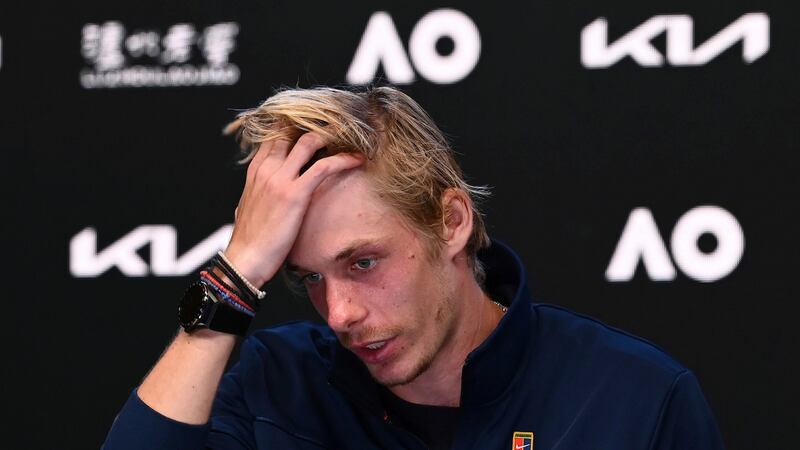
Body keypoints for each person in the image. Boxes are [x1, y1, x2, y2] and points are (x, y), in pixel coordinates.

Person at [103, 86, 725, 450]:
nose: (340, 313)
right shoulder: (278, 386)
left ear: (451, 223)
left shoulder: (637, 399)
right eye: (308, 277)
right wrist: (236, 272)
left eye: (363, 262)